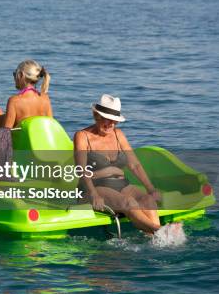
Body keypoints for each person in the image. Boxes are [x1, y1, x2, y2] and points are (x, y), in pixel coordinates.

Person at [74, 94, 175, 235]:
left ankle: (156, 241)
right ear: (97, 116)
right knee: (129, 203)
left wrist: (151, 189)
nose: (111, 125)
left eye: (115, 121)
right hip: (95, 188)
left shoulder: (118, 134)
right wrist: (94, 194)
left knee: (147, 200)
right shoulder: (82, 136)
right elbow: (81, 170)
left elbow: (134, 165)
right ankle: (161, 232)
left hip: (122, 185)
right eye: (107, 119)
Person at [0, 59, 53, 129]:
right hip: (34, 135)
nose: (14, 78)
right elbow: (51, 126)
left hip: (19, 136)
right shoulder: (45, 99)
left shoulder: (14, 101)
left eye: (15, 74)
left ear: (21, 75)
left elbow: (5, 133)